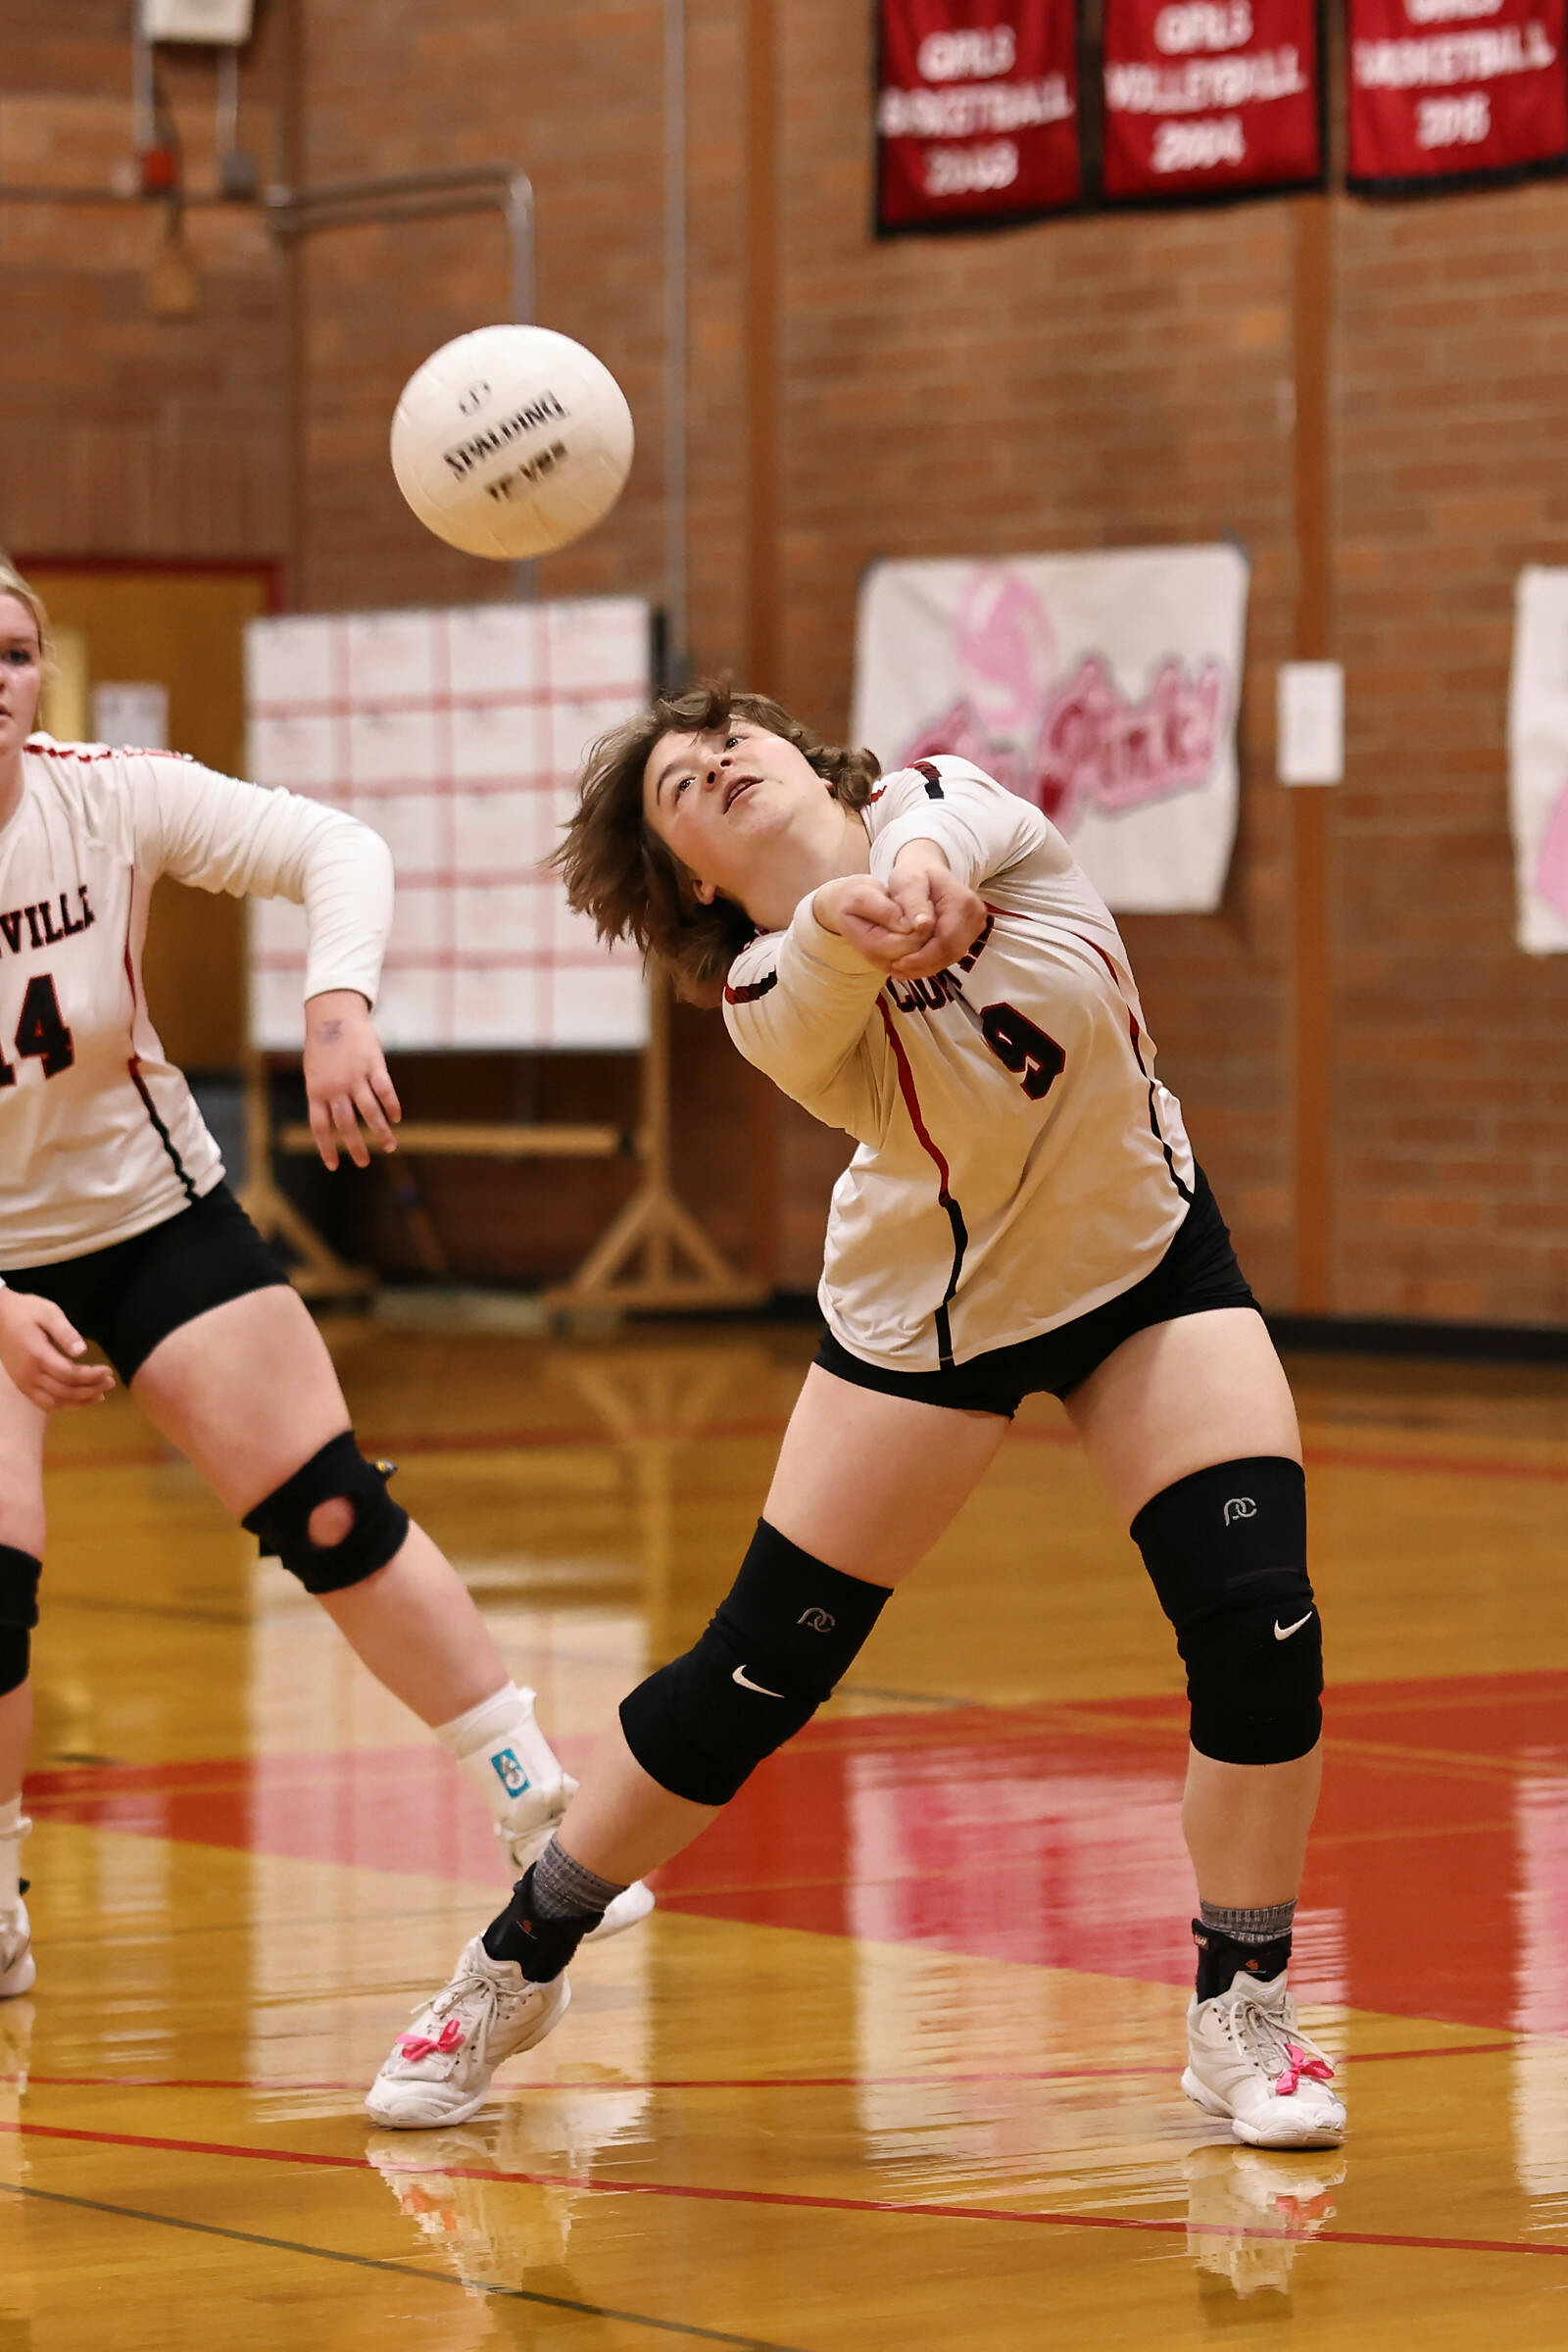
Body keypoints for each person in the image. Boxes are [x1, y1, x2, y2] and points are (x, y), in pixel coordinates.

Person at [368, 683, 1342, 2152]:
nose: (714, 763)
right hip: (930, 1320)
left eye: (730, 740)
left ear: (807, 758)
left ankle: (1243, 2005)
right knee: (753, 1676)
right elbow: (816, 975)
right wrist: (844, 918)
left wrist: (922, 874)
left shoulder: (949, 804)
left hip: (1147, 1264)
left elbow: (948, 831)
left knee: (1262, 1631)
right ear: (693, 878)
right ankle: (517, 1958)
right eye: (679, 786)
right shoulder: (762, 989)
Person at [0, 561, 650, 2009]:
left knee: (333, 1508)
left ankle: (541, 1814)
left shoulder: (102, 797)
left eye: (17, 651)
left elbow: (336, 845)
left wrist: (337, 999)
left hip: (143, 1212)